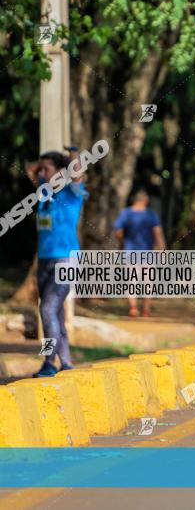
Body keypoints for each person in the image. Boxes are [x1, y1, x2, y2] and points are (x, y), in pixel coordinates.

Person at [26, 147, 88, 377]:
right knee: (55, 314)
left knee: (48, 308)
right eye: (41, 170)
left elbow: (77, 173)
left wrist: (73, 156)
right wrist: (41, 166)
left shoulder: (71, 193)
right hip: (44, 261)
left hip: (66, 261)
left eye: (47, 169)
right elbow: (29, 171)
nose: (42, 173)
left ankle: (49, 361)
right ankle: (67, 363)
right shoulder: (44, 195)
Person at [113, 189, 166, 317]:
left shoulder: (126, 213)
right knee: (148, 281)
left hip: (130, 251)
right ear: (146, 201)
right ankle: (146, 309)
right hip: (147, 253)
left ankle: (133, 308)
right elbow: (157, 233)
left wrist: (122, 242)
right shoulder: (151, 215)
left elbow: (117, 230)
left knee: (132, 280)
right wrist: (163, 249)